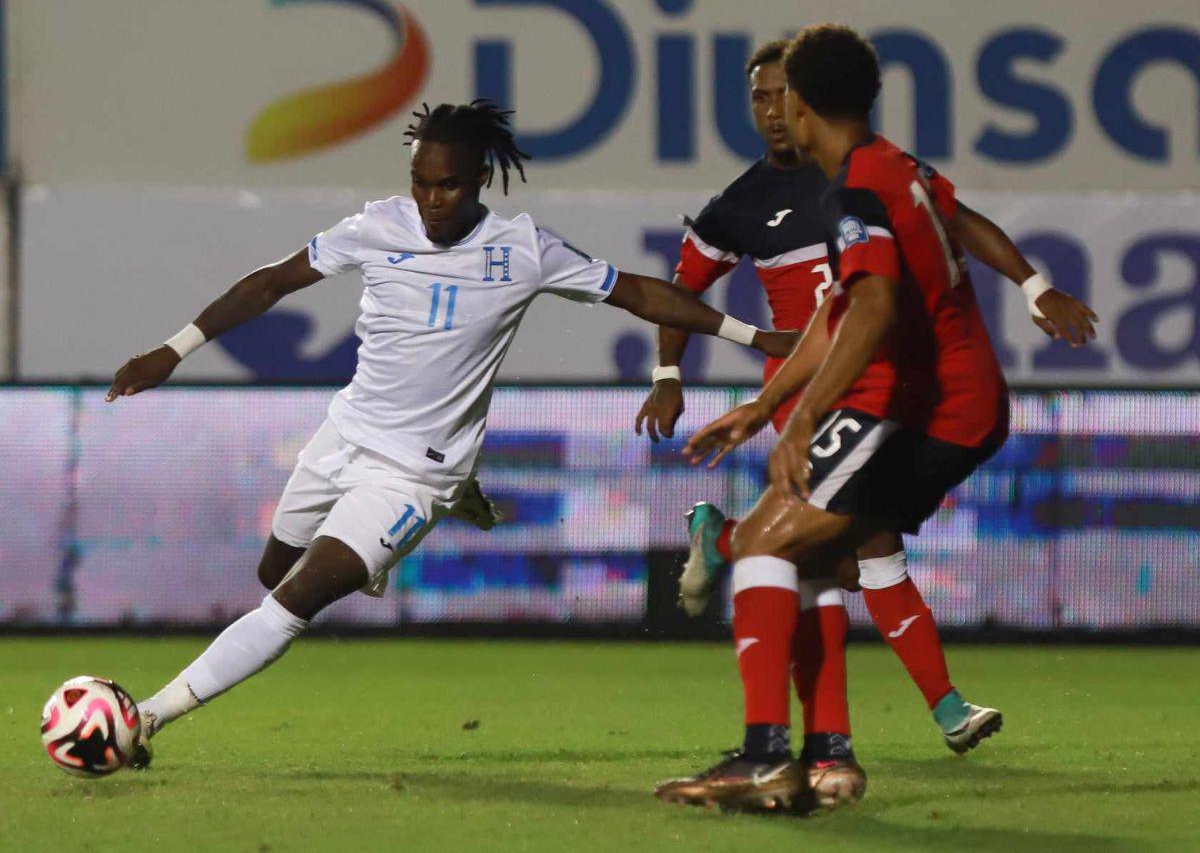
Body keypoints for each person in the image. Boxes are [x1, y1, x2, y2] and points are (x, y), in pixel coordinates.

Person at [104, 100, 798, 768]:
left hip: (411, 474)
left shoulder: (522, 248)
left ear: (478, 182)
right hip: (342, 435)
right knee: (271, 573)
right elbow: (270, 284)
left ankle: (143, 719)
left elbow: (640, 292)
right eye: (420, 183)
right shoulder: (378, 226)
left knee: (289, 604)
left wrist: (753, 334)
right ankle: (445, 500)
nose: (432, 201)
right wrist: (174, 348)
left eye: (448, 186)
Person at [638, 43, 1097, 807]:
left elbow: (874, 308)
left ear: (803, 107)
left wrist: (802, 415)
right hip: (944, 403)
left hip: (913, 406)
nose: (773, 110)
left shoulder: (854, 193)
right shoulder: (893, 170)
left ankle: (766, 757)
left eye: (782, 97)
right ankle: (830, 759)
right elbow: (843, 306)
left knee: (765, 545)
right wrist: (762, 405)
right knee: (819, 559)